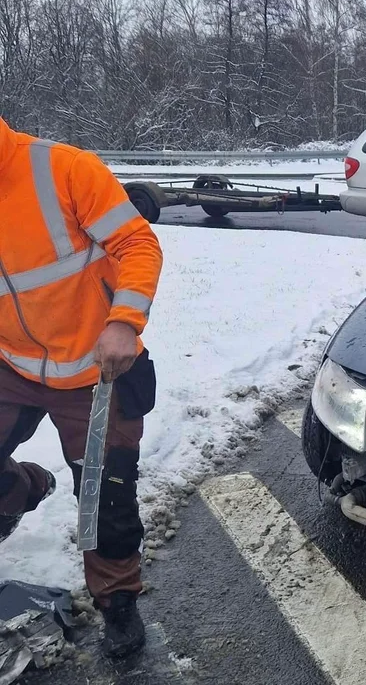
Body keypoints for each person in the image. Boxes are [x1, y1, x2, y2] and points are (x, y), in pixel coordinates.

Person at [0, 116, 163, 658]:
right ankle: (22, 489)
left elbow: (137, 243)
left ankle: (117, 600)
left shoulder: (61, 168)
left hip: (98, 368)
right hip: (11, 366)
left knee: (106, 494)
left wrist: (124, 321)